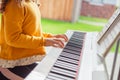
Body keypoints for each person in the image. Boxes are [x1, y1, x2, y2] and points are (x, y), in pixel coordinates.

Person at [0, 0, 68, 79]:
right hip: (12, 65)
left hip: (25, 61)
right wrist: (44, 41)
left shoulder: (31, 2)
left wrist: (50, 37)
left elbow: (31, 33)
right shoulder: (15, 4)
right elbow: (13, 38)